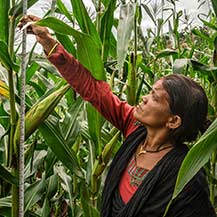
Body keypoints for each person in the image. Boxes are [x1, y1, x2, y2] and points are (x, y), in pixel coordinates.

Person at [18, 15, 216, 217]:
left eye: (155, 98)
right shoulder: (135, 130)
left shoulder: (186, 175)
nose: (144, 98)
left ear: (173, 121)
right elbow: (94, 90)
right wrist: (49, 41)